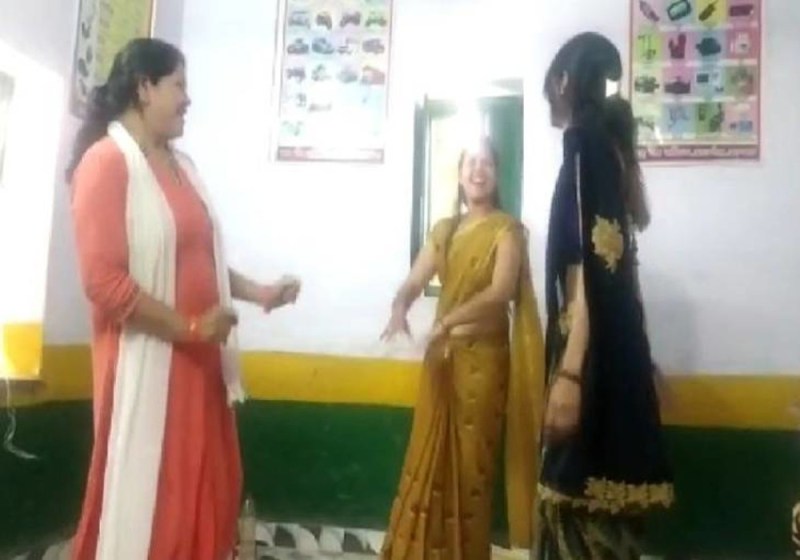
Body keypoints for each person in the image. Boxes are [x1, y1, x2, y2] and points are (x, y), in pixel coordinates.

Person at [67, 38, 300, 560]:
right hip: (151, 363)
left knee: (208, 493)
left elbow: (200, 257)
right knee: (155, 503)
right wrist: (191, 328)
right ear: (144, 88)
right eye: (179, 86)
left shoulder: (181, 166)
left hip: (200, 365)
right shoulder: (106, 163)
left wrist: (261, 293)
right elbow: (103, 282)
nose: (187, 99)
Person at [536, 32, 673, 559]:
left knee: (572, 507)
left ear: (563, 82)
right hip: (615, 352)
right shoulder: (609, 151)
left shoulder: (583, 144)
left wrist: (571, 375)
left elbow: (594, 267)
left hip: (587, 354)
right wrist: (641, 356)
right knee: (607, 517)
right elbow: (620, 264)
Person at [379, 138, 546, 559]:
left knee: (472, 475)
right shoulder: (445, 230)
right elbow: (415, 280)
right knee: (427, 462)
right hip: (442, 363)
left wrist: (447, 322)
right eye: (471, 163)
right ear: (459, 174)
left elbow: (500, 291)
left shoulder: (507, 231)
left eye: (486, 163)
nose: (478, 171)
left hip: (484, 367)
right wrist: (399, 306)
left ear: (497, 174)